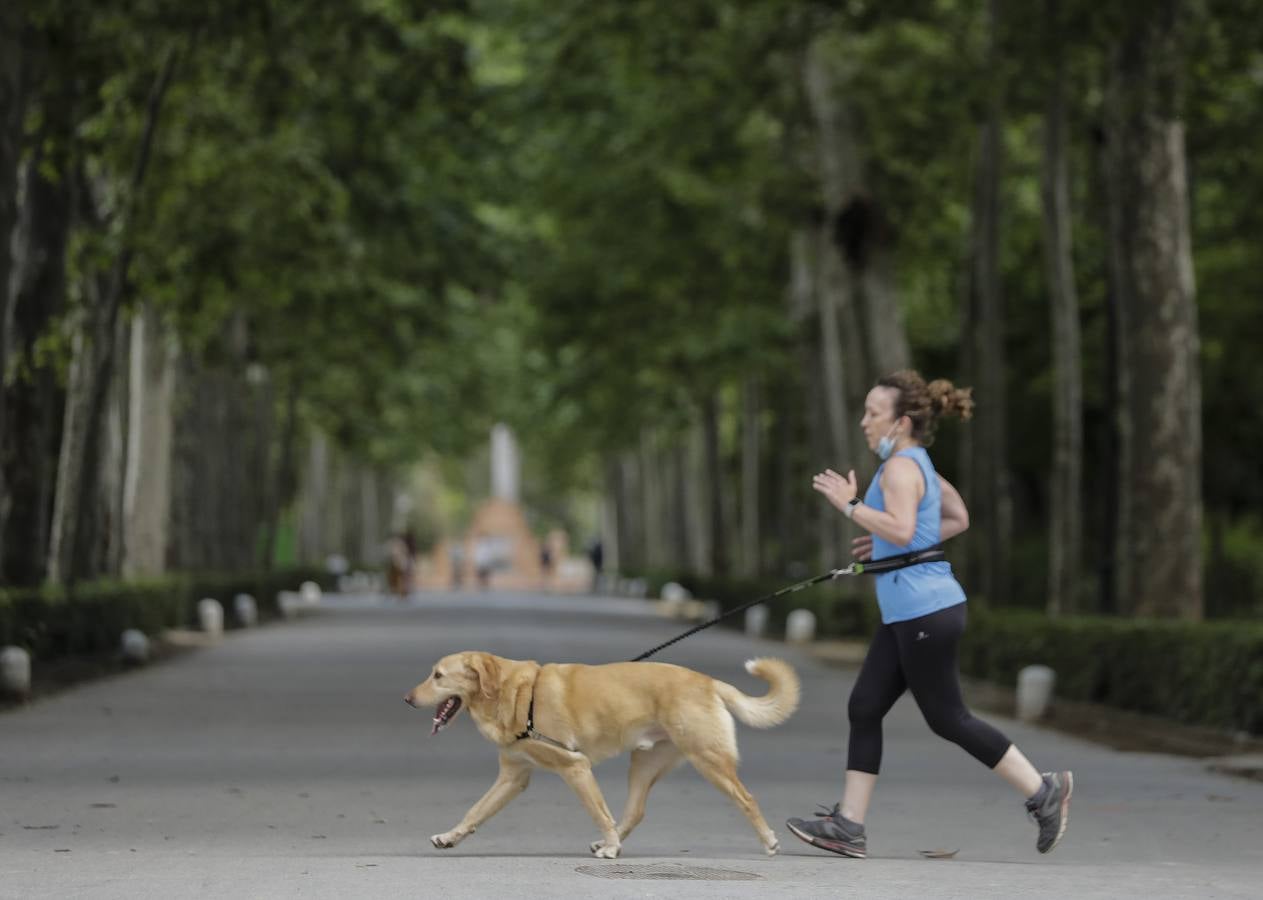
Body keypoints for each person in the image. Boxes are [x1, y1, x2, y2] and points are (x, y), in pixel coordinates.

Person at [786, 370, 1072, 859]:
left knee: (948, 718)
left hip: (924, 612)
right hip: (910, 611)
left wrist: (853, 507)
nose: (863, 422)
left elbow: (899, 527)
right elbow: (955, 518)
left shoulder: (899, 469)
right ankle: (848, 825)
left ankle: (1042, 791)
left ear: (900, 422)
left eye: (873, 414)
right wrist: (893, 542)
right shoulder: (917, 463)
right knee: (866, 706)